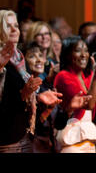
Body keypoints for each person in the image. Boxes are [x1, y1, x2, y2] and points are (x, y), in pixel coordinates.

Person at [0, 10, 62, 153]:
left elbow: (20, 102)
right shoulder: (4, 60)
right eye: (8, 26)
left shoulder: (19, 59)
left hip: (23, 135)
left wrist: (38, 98)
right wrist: (24, 93)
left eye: (16, 25)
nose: (15, 29)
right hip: (6, 140)